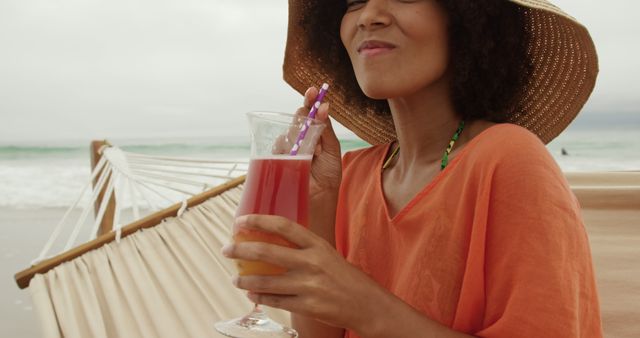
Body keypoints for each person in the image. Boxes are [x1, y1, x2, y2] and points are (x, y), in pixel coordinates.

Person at [222, 0, 602, 337]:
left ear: (464, 18)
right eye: (353, 0)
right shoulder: (350, 174)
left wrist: (365, 305)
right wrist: (319, 208)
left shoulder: (508, 160)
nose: (369, 15)